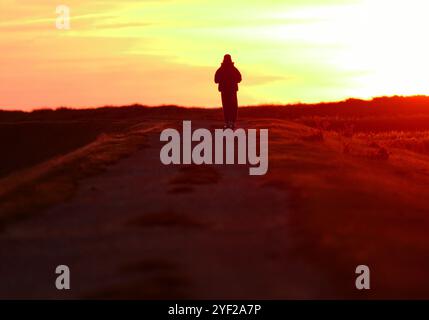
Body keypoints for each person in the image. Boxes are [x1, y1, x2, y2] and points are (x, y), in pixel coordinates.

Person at [214, 54, 242, 129]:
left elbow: (216, 80)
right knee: (233, 107)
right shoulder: (234, 69)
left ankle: (227, 123)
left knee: (226, 107)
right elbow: (239, 79)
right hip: (232, 91)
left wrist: (223, 81)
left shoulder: (220, 69)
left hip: (224, 91)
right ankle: (232, 123)